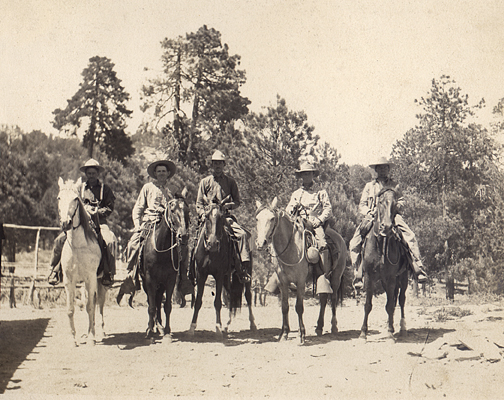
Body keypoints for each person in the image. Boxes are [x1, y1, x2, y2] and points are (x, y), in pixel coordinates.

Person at [350, 157, 427, 289]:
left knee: (409, 235)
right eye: (380, 168)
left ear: (388, 169)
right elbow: (362, 205)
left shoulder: (395, 185)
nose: (382, 170)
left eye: (385, 167)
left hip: (392, 215)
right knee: (355, 241)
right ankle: (358, 273)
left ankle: (417, 266)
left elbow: (402, 200)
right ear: (376, 170)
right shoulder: (369, 186)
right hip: (372, 216)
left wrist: (395, 206)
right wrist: (369, 212)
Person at [125, 159, 193, 295]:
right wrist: (138, 225)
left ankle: (183, 278)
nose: (161, 174)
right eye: (159, 171)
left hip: (170, 225)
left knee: (184, 247)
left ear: (168, 173)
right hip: (150, 221)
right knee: (133, 243)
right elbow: (138, 208)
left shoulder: (173, 189)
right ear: (155, 174)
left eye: (164, 171)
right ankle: (130, 276)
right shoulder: (147, 188)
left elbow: (180, 206)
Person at [48, 159, 117, 286]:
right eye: (89, 173)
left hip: (99, 222)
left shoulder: (105, 189)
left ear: (97, 173)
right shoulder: (79, 188)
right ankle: (55, 270)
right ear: (86, 173)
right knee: (59, 240)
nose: (91, 176)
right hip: (80, 222)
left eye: (93, 173)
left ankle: (109, 272)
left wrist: (96, 211)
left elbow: (109, 207)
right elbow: (71, 202)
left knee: (109, 240)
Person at [194, 150, 251, 283]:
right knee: (194, 240)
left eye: (220, 163)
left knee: (242, 235)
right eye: (215, 163)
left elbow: (237, 202)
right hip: (209, 219)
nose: (217, 166)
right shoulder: (205, 182)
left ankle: (243, 267)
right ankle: (191, 271)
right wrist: (203, 215)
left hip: (225, 218)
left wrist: (228, 206)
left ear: (224, 165)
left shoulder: (230, 182)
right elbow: (198, 203)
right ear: (211, 165)